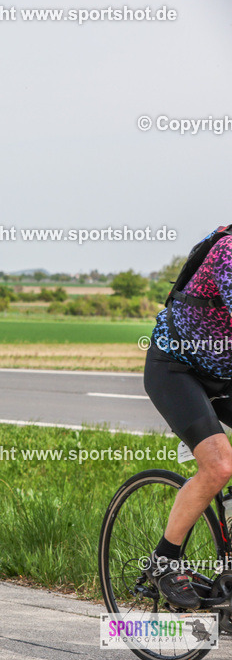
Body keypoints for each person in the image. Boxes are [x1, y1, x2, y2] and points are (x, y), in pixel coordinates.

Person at [144, 227, 232, 609]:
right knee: (219, 465)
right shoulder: (229, 252)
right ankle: (164, 561)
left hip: (224, 373)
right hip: (175, 368)